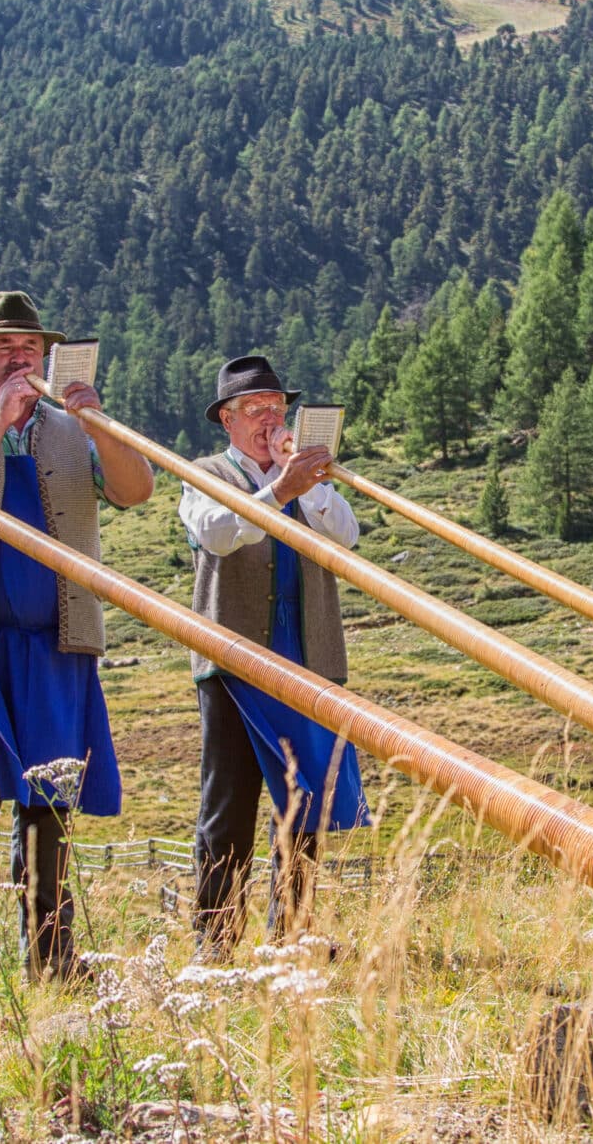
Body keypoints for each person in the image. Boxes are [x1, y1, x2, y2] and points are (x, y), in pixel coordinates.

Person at [0, 291, 153, 990]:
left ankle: (54, 956)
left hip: (55, 641)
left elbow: (136, 489)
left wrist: (99, 424)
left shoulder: (73, 429)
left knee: (50, 804)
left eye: (29, 348)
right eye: (5, 348)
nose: (21, 358)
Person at [178, 355, 371, 962]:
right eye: (255, 410)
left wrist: (306, 487)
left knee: (305, 798)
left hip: (307, 651)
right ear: (227, 421)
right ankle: (216, 940)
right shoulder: (203, 472)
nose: (269, 420)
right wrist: (277, 491)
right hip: (234, 658)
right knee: (228, 800)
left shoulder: (310, 478)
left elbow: (347, 535)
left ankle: (292, 930)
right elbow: (214, 533)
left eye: (276, 409)